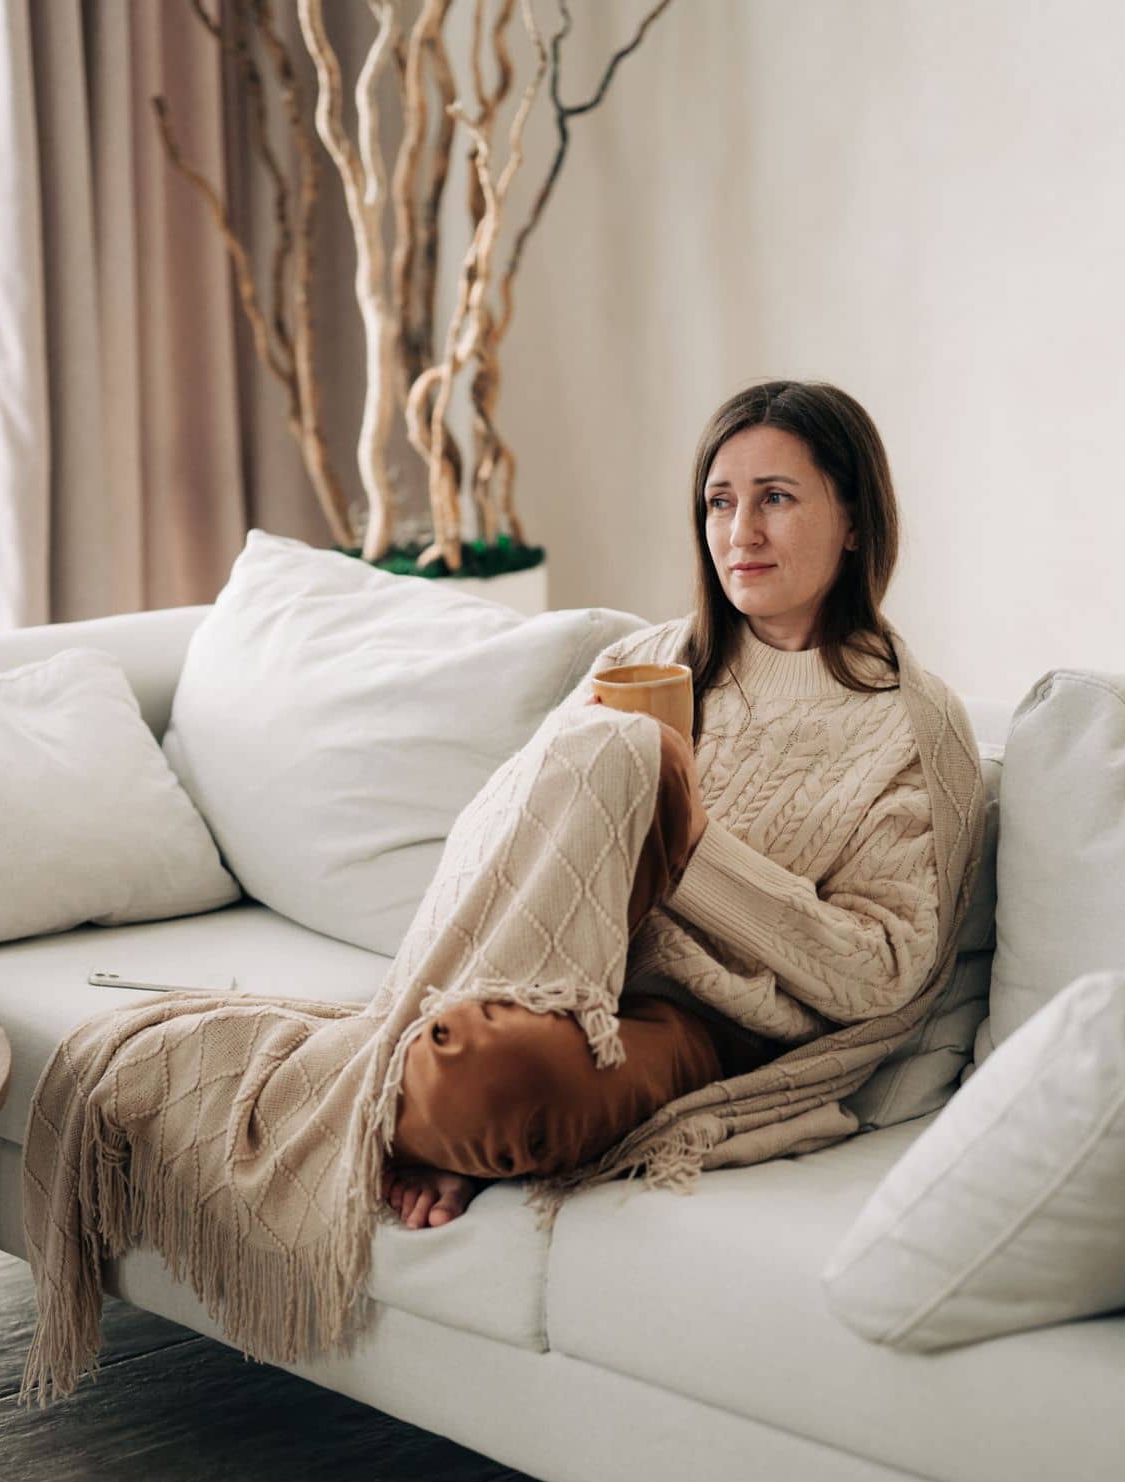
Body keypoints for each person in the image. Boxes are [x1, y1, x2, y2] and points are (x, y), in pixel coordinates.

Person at [383, 379, 959, 1229]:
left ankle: (423, 1114)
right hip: (546, 975)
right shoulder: (645, 662)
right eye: (719, 502)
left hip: (693, 1023)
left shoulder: (909, 724)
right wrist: (585, 780)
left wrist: (688, 850)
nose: (740, 532)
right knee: (457, 1052)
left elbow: (878, 971)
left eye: (776, 499)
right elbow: (499, 835)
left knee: (489, 1081)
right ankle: (425, 1104)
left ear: (854, 522)